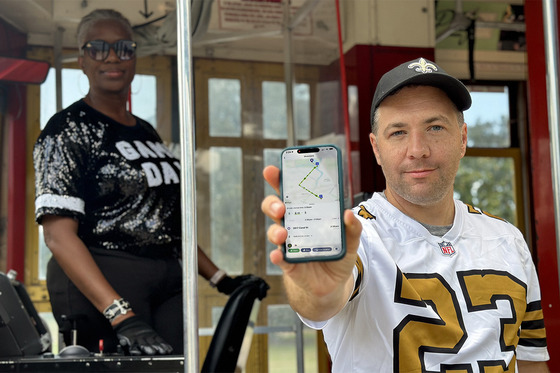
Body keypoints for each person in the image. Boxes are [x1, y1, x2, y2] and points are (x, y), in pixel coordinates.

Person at [261, 57, 550, 372]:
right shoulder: (354, 234)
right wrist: (315, 288)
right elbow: (321, 302)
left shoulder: (508, 240)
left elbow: (531, 363)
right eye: (398, 132)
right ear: (376, 148)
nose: (418, 149)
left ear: (463, 138)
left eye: (435, 127)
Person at [34, 9, 255, 356]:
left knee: (176, 366)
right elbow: (57, 235)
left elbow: (165, 221)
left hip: (167, 277)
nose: (111, 57)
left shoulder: (145, 132)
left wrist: (220, 279)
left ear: (134, 57)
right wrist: (120, 314)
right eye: (98, 48)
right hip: (106, 274)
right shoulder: (67, 129)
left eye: (123, 48)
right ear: (82, 58)